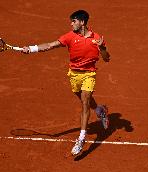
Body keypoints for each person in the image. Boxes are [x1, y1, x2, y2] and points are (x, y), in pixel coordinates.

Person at [22, 10, 110, 155]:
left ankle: (81, 139)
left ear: (82, 22)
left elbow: (107, 58)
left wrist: (102, 47)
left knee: (85, 102)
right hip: (74, 75)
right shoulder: (69, 36)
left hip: (89, 74)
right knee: (83, 99)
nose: (71, 23)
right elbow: (50, 45)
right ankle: (100, 110)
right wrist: (31, 49)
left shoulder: (97, 38)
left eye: (74, 21)